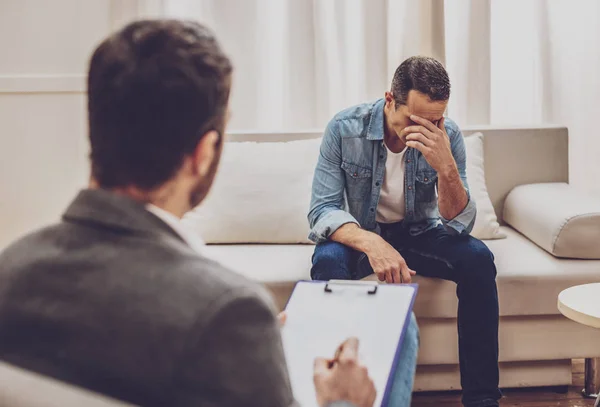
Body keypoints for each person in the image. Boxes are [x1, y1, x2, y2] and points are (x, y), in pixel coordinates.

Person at [0, 20, 418, 407]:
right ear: (204, 153)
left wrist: (243, 345)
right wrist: (343, 401)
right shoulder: (227, 311)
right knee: (403, 336)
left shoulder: (11, 269)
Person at [308, 56, 501, 407]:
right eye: (414, 120)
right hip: (361, 234)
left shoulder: (448, 135)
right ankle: (336, 394)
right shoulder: (343, 128)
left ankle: (483, 400)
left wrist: (446, 169)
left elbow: (459, 223)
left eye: (435, 120)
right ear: (389, 100)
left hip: (420, 233)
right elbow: (322, 210)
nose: (426, 130)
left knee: (478, 258)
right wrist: (373, 243)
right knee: (328, 261)